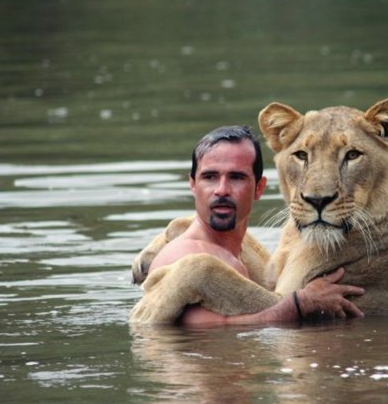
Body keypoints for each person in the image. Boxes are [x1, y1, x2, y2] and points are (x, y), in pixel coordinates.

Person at [147, 125, 365, 326]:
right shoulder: (182, 256)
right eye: (210, 177)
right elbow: (208, 333)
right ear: (193, 185)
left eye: (236, 177)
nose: (222, 189)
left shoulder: (241, 255)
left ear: (259, 188)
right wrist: (301, 304)